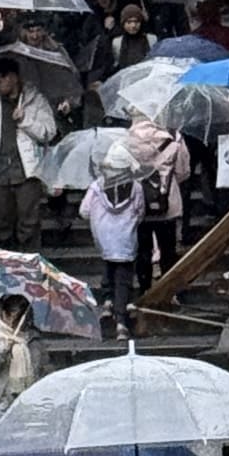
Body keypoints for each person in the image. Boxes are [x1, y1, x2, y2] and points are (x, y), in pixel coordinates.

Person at [0, 57, 51, 247]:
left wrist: (25, 120)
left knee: (29, 221)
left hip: (27, 171)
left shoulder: (35, 99)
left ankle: (30, 263)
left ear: (14, 77)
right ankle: (5, 266)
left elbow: (48, 131)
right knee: (0, 221)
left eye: (1, 79)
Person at [79, 146, 144, 336]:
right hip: (126, 239)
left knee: (108, 268)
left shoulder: (97, 186)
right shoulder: (136, 187)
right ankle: (121, 322)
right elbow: (140, 212)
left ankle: (107, 301)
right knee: (124, 279)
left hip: (104, 238)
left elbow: (83, 211)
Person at [121, 110, 189, 286]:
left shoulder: (125, 139)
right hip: (167, 201)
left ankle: (145, 289)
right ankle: (168, 290)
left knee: (143, 250)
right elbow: (183, 171)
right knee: (168, 249)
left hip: (138, 202)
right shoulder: (174, 136)